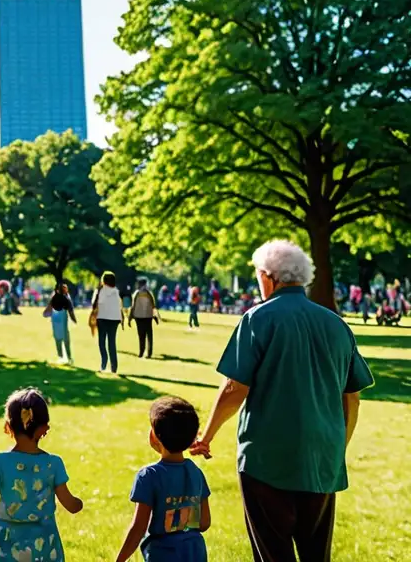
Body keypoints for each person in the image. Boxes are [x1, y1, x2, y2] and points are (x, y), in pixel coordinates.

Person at [190, 240, 374, 562]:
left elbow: (235, 389)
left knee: (274, 554)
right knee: (316, 553)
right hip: (321, 459)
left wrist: (206, 435)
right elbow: (353, 399)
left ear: (268, 276)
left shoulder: (257, 319)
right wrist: (335, 448)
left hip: (267, 459)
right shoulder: (337, 324)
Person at [0, 389, 84, 560]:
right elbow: (70, 505)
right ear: (45, 428)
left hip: (9, 552)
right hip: (45, 551)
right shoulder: (54, 463)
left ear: (8, 427)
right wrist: (79, 504)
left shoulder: (0, 462)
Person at [115, 397, 211, 562]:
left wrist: (120, 560)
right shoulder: (196, 472)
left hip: (162, 554)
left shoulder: (148, 476)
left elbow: (139, 528)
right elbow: (204, 523)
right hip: (194, 552)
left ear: (153, 436)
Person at [91, 271, 124, 373]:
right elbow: (119, 306)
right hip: (114, 319)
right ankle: (114, 367)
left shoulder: (101, 290)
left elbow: (94, 304)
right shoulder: (116, 291)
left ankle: (103, 365)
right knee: (112, 343)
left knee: (102, 342)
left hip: (103, 318)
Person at [45, 284, 77, 364]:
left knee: (63, 339)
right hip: (57, 321)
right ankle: (62, 356)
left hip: (61, 321)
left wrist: (73, 319)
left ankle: (67, 357)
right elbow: (70, 311)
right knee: (59, 338)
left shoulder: (65, 298)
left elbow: (70, 310)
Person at [129, 278, 158, 359]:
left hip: (139, 317)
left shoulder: (136, 293)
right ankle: (149, 352)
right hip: (148, 316)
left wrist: (130, 317)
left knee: (141, 335)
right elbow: (153, 305)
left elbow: (133, 306)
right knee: (149, 335)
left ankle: (141, 352)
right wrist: (155, 316)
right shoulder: (149, 293)